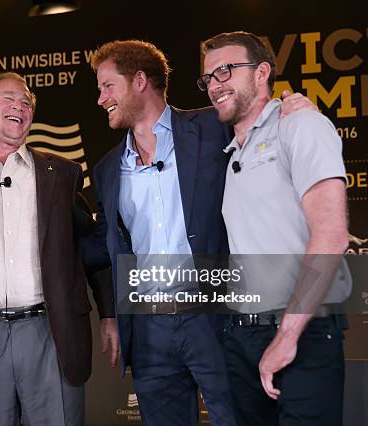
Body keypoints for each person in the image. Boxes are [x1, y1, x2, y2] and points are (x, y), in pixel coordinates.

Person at [85, 40, 315, 426]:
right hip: (149, 328)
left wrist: (295, 108)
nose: (100, 98)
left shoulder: (212, 126)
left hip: (216, 317)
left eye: (108, 86)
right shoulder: (108, 169)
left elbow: (265, 124)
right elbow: (103, 247)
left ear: (140, 80)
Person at [0, 72, 115, 426]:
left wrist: (109, 314)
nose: (20, 106)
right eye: (9, 99)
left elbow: (92, 250)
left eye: (26, 102)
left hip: (50, 332)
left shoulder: (60, 174)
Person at [200, 31, 350, 426]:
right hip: (242, 336)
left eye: (226, 71)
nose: (215, 85)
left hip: (304, 333)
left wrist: (286, 336)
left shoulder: (300, 125)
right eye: (209, 78)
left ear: (262, 72)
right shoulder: (231, 149)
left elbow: (331, 236)